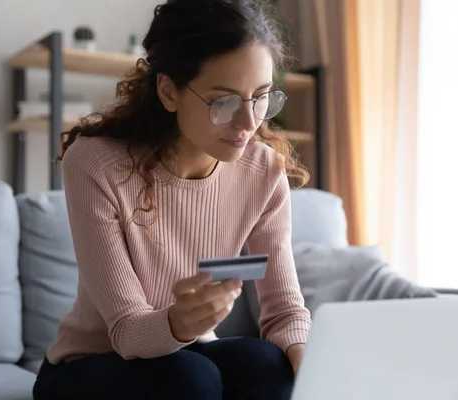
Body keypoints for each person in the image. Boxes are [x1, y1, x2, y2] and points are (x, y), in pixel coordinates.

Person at [32, 0, 312, 399]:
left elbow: (284, 312)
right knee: (188, 377)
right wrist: (180, 322)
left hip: (188, 357)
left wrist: (311, 364)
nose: (250, 123)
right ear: (168, 91)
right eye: (225, 101)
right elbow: (127, 331)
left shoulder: (262, 171)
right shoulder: (97, 163)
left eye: (262, 97)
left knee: (269, 364)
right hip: (90, 366)